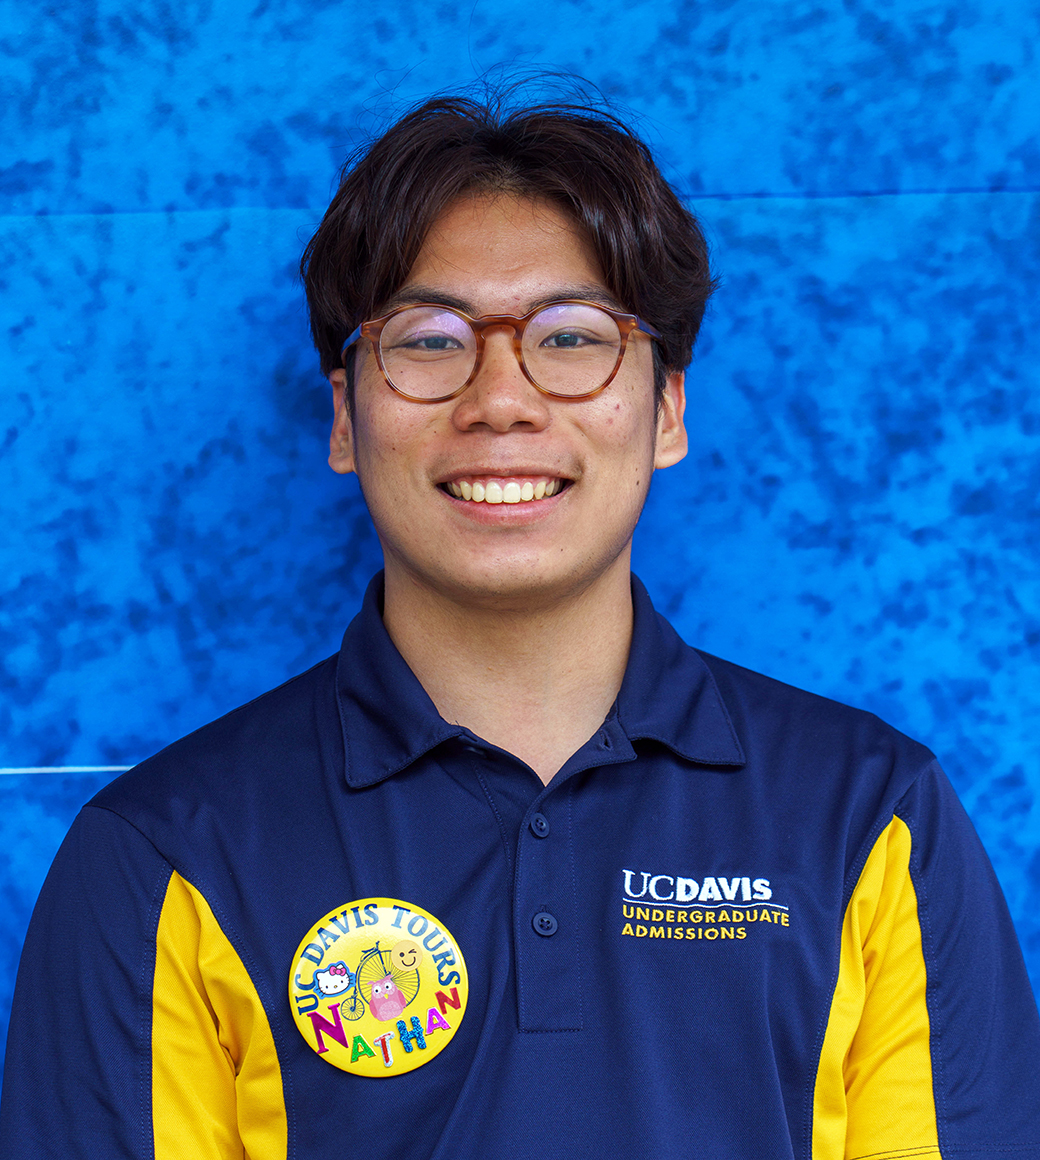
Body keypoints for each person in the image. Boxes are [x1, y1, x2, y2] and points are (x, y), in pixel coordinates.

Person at [2, 92, 1039, 1160]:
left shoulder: (872, 816)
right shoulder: (166, 853)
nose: (501, 398)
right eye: (429, 338)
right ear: (345, 417)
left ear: (666, 408)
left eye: (571, 335)